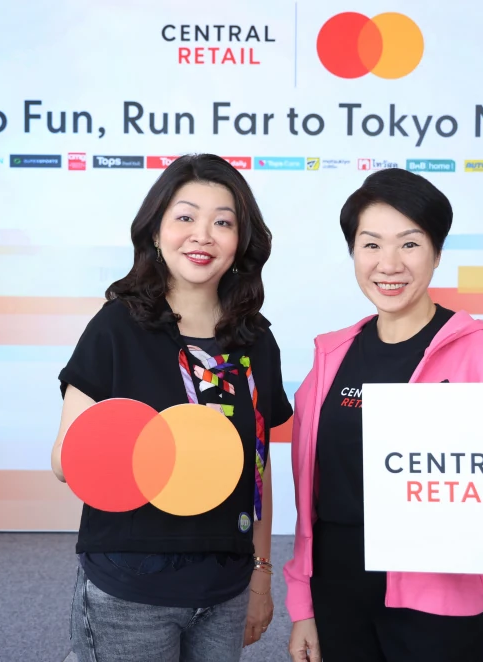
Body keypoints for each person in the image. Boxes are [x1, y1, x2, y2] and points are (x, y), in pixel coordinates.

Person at [51, 154, 293, 662]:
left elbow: (259, 469)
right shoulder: (117, 327)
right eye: (185, 217)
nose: (202, 235)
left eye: (222, 222)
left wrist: (261, 573)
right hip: (133, 584)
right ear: (156, 232)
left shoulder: (255, 340)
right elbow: (65, 460)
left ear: (241, 241)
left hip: (226, 584)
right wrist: (149, 453)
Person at [284, 168, 483, 662]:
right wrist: (303, 603)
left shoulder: (478, 352)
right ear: (353, 252)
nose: (388, 264)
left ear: (437, 253)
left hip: (437, 593)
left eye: (409, 244)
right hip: (337, 587)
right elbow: (311, 504)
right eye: (371, 244)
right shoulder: (331, 356)